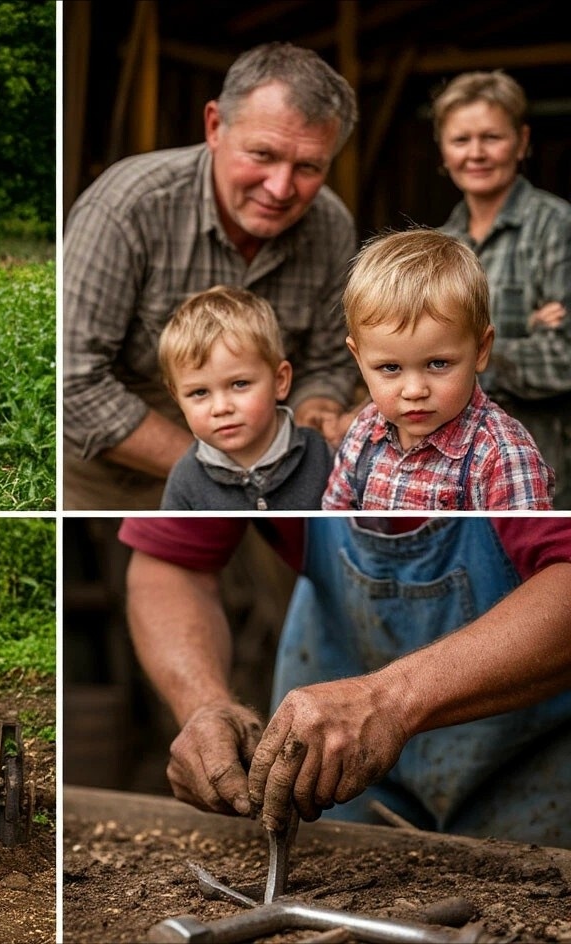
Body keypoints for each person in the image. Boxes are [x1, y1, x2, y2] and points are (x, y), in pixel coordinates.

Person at [118, 516, 571, 848]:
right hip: (327, 753)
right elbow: (169, 563)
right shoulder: (252, 431)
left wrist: (390, 700)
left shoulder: (513, 451)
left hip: (533, 752)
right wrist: (202, 702)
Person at [63, 41, 360, 510]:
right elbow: (72, 379)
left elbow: (328, 361)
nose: (281, 188)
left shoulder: (331, 226)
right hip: (115, 466)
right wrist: (215, 467)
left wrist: (312, 415)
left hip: (270, 461)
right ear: (215, 126)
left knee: (281, 574)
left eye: (307, 167)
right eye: (262, 155)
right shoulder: (129, 206)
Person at [323, 228, 554, 509]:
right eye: (390, 367)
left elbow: (528, 549)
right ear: (359, 359)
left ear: (481, 350)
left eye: (438, 364)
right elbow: (334, 517)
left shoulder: (502, 456)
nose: (415, 391)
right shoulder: (363, 432)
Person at [432, 70, 571, 508]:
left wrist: (459, 358)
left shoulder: (557, 226)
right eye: (460, 140)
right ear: (443, 149)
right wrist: (521, 334)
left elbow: (565, 356)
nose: (476, 153)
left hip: (543, 461)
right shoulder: (439, 244)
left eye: (491, 137)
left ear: (522, 140)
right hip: (453, 466)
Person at [157, 285, 332, 509]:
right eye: (199, 392)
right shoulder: (185, 480)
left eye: (240, 384)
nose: (221, 408)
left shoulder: (322, 455)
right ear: (177, 398)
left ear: (280, 381)